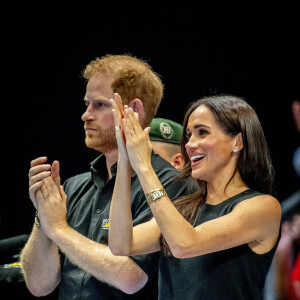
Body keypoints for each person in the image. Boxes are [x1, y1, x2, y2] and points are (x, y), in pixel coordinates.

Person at [20, 54, 198, 300]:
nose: (86, 115)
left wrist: (60, 230)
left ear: (133, 110)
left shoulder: (173, 185)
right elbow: (40, 286)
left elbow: (130, 277)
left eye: (100, 105)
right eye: (86, 104)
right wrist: (43, 217)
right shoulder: (74, 185)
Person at [108, 94, 282, 299]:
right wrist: (124, 159)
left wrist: (145, 167)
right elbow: (120, 244)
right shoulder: (183, 209)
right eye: (189, 135)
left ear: (238, 141)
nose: (190, 144)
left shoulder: (263, 207)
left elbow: (184, 244)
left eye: (202, 132)